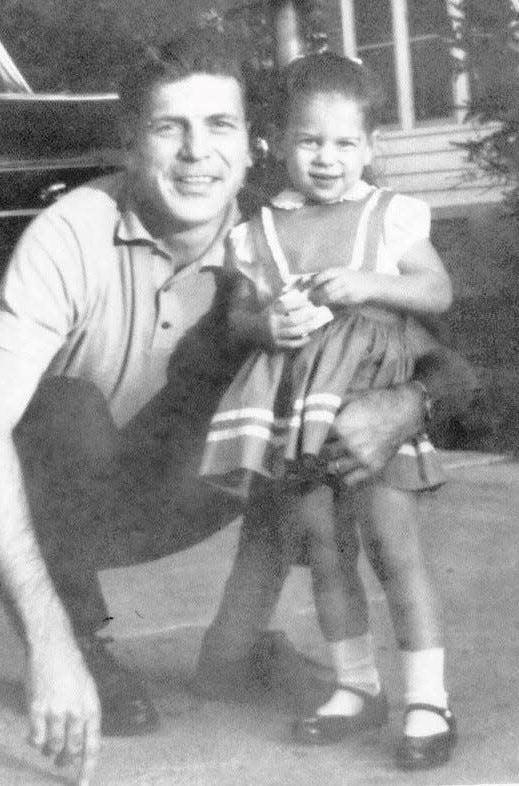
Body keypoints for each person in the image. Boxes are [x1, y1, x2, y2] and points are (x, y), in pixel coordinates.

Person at [0, 30, 474, 786]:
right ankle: (82, 640)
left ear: (253, 144)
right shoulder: (71, 232)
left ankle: (236, 643)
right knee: (63, 410)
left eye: (218, 126)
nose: (197, 153)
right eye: (169, 127)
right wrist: (47, 647)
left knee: (296, 406)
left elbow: (449, 359)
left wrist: (406, 401)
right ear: (131, 143)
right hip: (77, 496)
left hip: (198, 481)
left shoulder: (281, 227)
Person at [199, 52, 457, 770]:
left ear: (371, 148)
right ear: (278, 143)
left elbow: (436, 292)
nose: (328, 158)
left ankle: (427, 700)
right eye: (310, 141)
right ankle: (355, 685)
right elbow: (235, 323)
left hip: (370, 398)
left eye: (346, 143)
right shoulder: (261, 232)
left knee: (391, 549)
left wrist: (370, 279)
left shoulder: (388, 217)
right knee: (322, 550)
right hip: (298, 408)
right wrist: (265, 327)